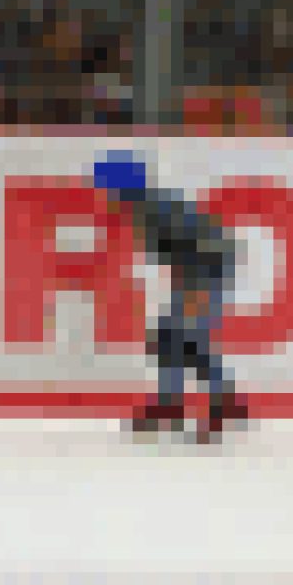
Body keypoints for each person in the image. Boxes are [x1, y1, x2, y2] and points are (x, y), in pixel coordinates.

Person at [93, 153, 249, 444]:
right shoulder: (144, 210)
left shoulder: (155, 211)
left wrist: (198, 291)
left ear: (120, 188)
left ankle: (216, 404)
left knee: (188, 339)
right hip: (198, 271)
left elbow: (204, 244)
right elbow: (180, 251)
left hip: (207, 268)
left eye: (105, 190)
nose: (103, 198)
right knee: (172, 336)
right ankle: (180, 404)